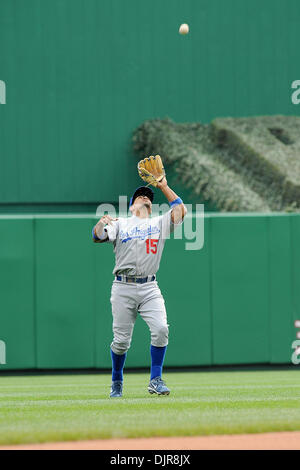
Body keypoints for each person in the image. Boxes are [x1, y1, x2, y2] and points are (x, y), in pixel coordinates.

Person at [92, 176, 187, 397]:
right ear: (132, 204)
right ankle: (117, 380)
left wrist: (163, 186)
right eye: (140, 196)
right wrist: (100, 224)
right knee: (121, 342)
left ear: (151, 207)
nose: (145, 197)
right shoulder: (120, 223)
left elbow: (181, 211)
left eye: (149, 197)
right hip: (123, 287)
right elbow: (96, 237)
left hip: (149, 287)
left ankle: (156, 379)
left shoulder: (159, 223)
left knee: (162, 329)